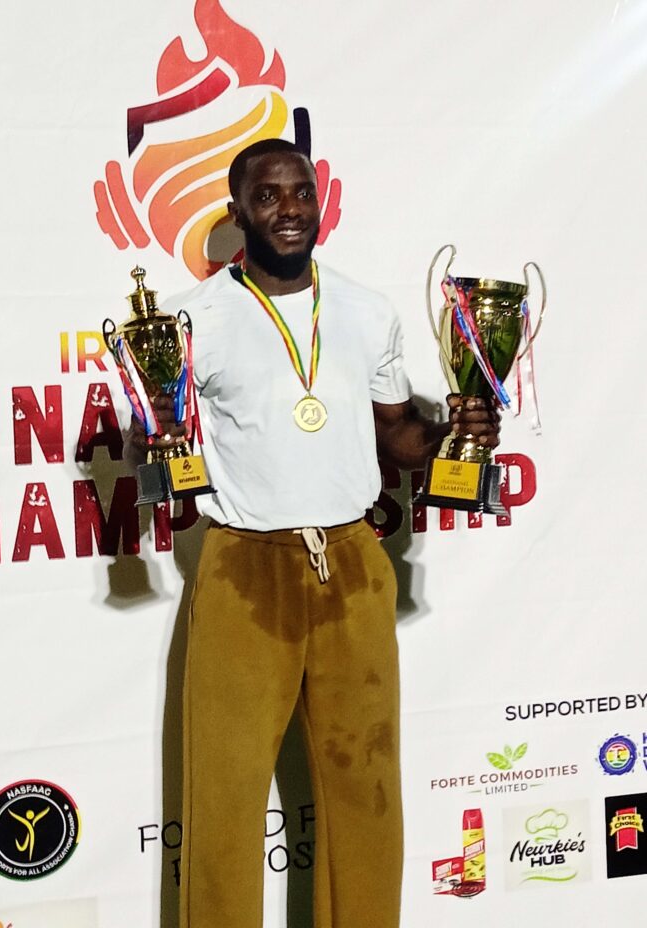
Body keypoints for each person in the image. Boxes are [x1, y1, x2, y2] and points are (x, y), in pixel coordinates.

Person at [124, 138, 500, 928]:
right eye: (267, 196)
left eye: (300, 192)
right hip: (242, 572)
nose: (288, 209)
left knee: (367, 790)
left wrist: (454, 434)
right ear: (238, 213)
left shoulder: (365, 309)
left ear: (318, 201)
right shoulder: (195, 318)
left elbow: (397, 436)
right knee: (224, 798)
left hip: (353, 566)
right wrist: (156, 428)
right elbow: (159, 443)